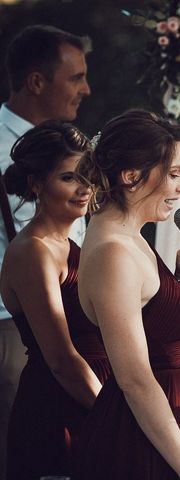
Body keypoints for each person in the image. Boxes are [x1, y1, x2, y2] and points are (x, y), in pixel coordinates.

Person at [74, 110, 180, 480]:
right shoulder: (112, 253)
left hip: (175, 420)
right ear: (131, 175)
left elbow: (179, 343)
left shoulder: (133, 236)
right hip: (145, 439)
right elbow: (134, 379)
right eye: (173, 174)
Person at [0, 25, 91, 477]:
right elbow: (56, 357)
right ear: (37, 81)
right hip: (17, 330)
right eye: (75, 77)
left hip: (79, 324)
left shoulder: (72, 150)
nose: (86, 89)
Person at [0, 122, 111, 479]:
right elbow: (62, 360)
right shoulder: (32, 252)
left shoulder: (71, 244)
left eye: (87, 176)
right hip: (55, 413)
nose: (84, 189)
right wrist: (117, 419)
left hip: (88, 400)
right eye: (69, 178)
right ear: (36, 184)